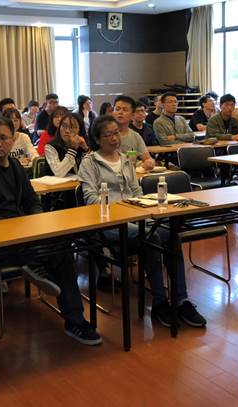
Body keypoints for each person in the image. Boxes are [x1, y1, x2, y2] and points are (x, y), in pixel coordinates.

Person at [0, 116, 102, 345]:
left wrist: (37, 222)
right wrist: (22, 229)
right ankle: (36, 265)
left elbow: (32, 201)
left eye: (3, 138)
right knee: (48, 251)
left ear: (13, 139)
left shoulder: (16, 167)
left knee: (62, 246)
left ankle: (75, 320)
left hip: (24, 233)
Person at [78, 115, 206, 328]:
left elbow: (136, 191)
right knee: (151, 237)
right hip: (108, 222)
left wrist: (143, 204)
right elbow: (90, 199)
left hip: (136, 216)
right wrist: (121, 207)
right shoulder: (89, 162)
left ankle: (180, 300)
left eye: (116, 133)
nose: (114, 138)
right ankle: (159, 302)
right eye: (108, 135)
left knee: (171, 234)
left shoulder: (125, 159)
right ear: (97, 139)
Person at [113, 95, 156, 171]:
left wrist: (149, 162)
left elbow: (147, 158)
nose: (120, 112)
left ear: (132, 115)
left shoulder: (135, 136)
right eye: (117, 109)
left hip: (130, 175)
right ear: (112, 112)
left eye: (125, 110)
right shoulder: (104, 134)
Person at [44, 112, 88, 178]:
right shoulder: (50, 147)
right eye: (64, 126)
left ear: (80, 130)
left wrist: (86, 150)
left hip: (78, 183)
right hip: (56, 184)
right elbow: (59, 173)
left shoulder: (84, 144)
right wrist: (73, 150)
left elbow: (93, 171)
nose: (67, 131)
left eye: (72, 127)